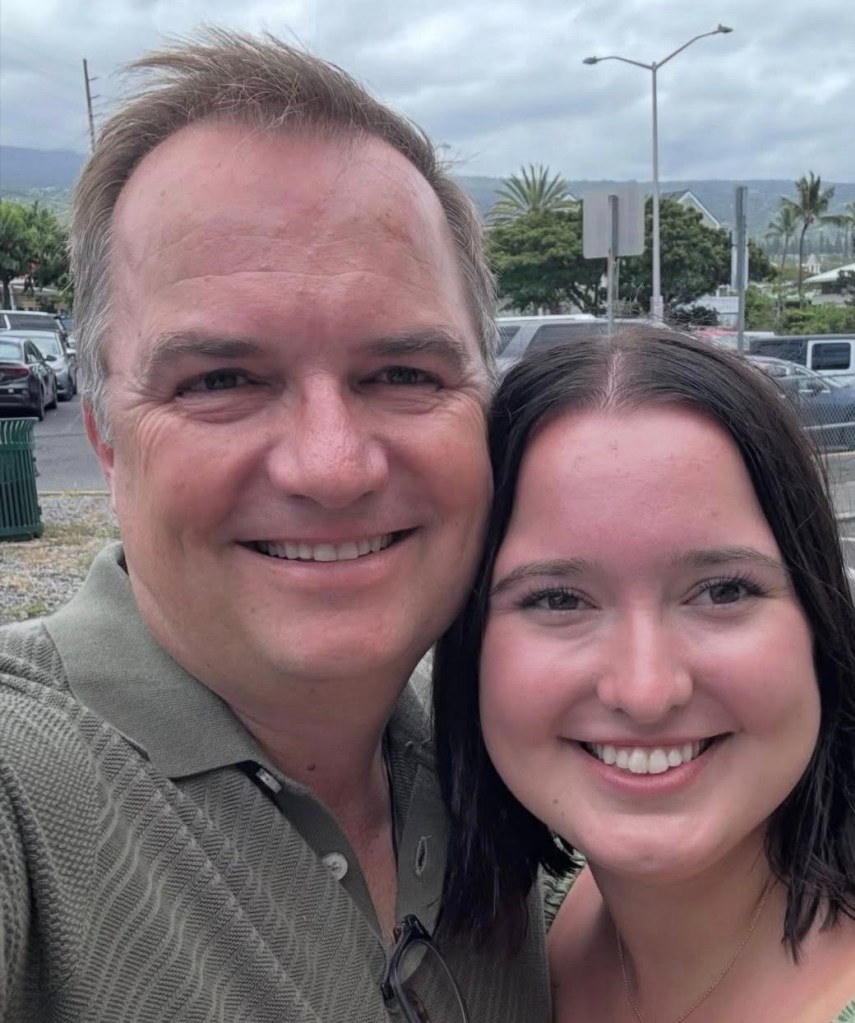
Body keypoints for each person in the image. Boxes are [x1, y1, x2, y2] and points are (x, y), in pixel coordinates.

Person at [0, 29, 551, 1023]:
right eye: (219, 381)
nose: (331, 466)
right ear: (104, 437)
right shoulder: (23, 790)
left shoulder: (514, 766)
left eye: (402, 375)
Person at [434, 328, 855, 1021]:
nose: (644, 690)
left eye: (721, 590)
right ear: (469, 643)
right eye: (557, 598)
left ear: (820, 624)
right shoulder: (519, 932)